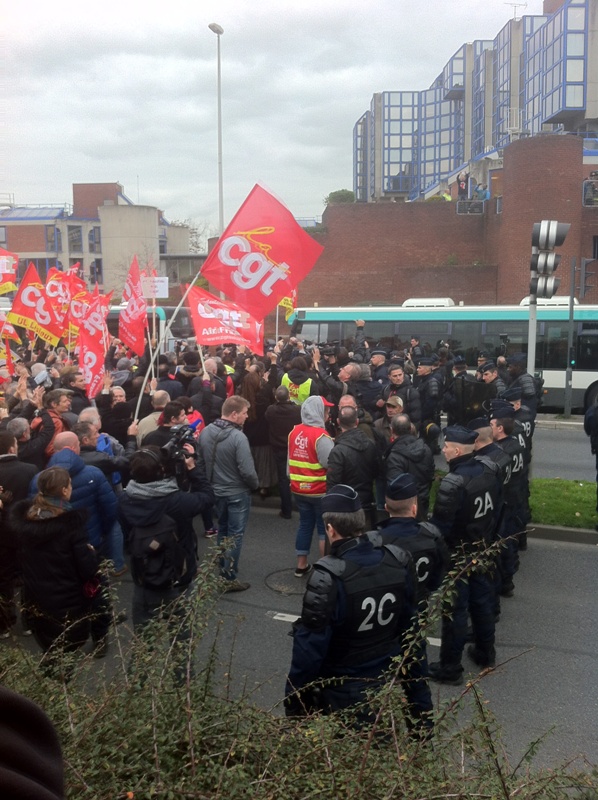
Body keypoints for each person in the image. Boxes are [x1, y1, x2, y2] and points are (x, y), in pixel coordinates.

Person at [284, 484, 432, 734]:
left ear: (330, 529)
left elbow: (308, 653)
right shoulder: (398, 559)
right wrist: (421, 712)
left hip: (342, 690)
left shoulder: (327, 577)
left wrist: (295, 707)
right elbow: (412, 633)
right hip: (386, 681)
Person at [117, 445, 214, 656]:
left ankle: (140, 684)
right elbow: (207, 497)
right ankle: (180, 686)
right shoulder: (177, 501)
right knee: (180, 644)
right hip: (178, 577)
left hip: (143, 577)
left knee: (143, 645)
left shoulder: (125, 500)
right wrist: (192, 469)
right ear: (162, 470)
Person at [428, 425, 502, 684]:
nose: (443, 449)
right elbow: (498, 508)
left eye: (446, 446)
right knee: (482, 603)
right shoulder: (490, 469)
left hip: (458, 555)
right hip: (482, 549)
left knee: (455, 612)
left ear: (457, 450)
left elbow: (440, 529)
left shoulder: (453, 482)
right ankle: (485, 652)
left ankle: (450, 668)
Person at [9, 467, 100, 672]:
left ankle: (49, 682)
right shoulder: (71, 526)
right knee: (66, 650)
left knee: (48, 643)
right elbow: (87, 568)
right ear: (65, 491)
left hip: (35, 595)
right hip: (66, 599)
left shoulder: (27, 519)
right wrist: (91, 554)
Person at [199, 395, 259, 592]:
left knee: (223, 530)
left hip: (215, 491)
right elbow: (247, 470)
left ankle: (221, 566)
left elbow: (201, 461)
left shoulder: (206, 431)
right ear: (234, 414)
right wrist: (254, 485)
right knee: (235, 535)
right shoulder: (238, 437)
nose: (246, 416)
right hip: (237, 493)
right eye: (244, 413)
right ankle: (228, 577)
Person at [376, 473, 450, 603]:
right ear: (414, 508)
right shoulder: (431, 535)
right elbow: (441, 568)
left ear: (386, 508)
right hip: (421, 600)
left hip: (392, 607)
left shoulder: (379, 541)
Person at [288, 395, 334, 577]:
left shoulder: (294, 432)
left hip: (298, 489)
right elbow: (330, 463)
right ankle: (324, 569)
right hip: (319, 490)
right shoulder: (321, 436)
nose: (328, 414)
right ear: (317, 412)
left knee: (305, 525)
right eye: (326, 410)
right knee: (323, 530)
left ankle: (301, 565)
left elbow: (289, 462)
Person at [326, 405, 380, 528]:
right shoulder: (370, 445)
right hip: (365, 503)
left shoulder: (338, 451)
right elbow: (376, 472)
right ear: (357, 421)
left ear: (338, 422)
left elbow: (332, 483)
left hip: (345, 507)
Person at [383, 414, 435, 520]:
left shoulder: (394, 456)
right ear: (411, 428)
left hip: (403, 510)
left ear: (392, 431)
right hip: (422, 501)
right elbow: (430, 476)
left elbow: (395, 486)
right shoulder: (426, 449)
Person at [264, 385, 301, 519]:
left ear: (276, 397)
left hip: (278, 448)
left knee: (283, 479)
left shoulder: (271, 410)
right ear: (289, 396)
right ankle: (301, 504)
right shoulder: (297, 410)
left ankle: (286, 510)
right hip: (293, 447)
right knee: (297, 475)